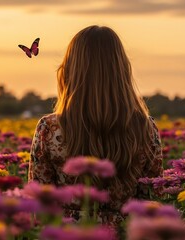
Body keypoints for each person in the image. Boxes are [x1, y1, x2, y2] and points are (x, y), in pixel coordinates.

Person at [29, 25, 163, 225]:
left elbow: (39, 205)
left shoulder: (49, 128)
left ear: (70, 69)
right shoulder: (145, 128)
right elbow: (151, 201)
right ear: (122, 70)